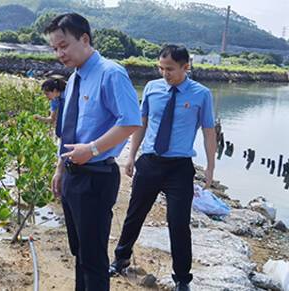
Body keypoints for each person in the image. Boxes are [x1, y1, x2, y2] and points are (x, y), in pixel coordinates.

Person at [45, 13, 142, 290]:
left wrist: (94, 148)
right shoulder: (74, 78)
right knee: (80, 253)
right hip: (74, 175)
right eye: (54, 48)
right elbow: (68, 129)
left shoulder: (111, 73)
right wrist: (60, 168)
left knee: (94, 259)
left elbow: (131, 121)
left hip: (96, 176)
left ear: (84, 39)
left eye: (63, 45)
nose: (59, 53)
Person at [109, 45, 217, 291]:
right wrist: (131, 156)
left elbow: (209, 133)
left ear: (185, 67)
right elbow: (142, 123)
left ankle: (182, 278)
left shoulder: (202, 94)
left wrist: (211, 168)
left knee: (179, 223)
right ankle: (121, 258)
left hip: (179, 168)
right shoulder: (152, 88)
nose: (164, 73)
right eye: (161, 67)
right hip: (150, 163)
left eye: (170, 69)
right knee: (135, 214)